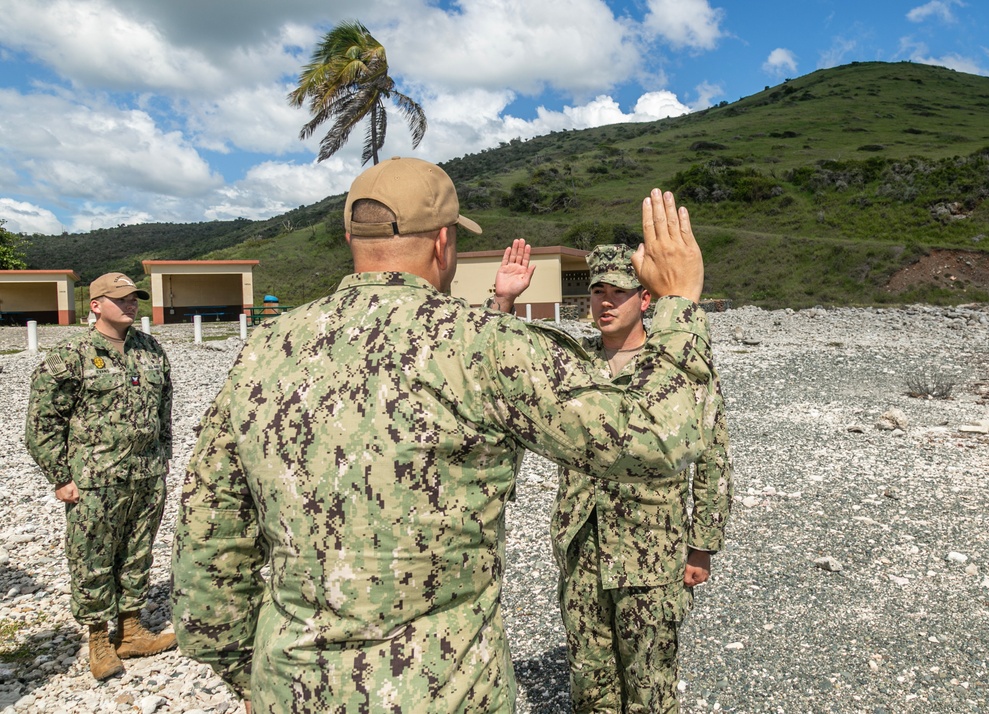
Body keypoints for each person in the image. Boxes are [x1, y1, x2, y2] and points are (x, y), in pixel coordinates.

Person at [171, 156, 721, 713]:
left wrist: (260, 676)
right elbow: (657, 437)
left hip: (290, 686)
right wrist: (679, 303)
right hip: (445, 690)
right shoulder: (480, 345)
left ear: (349, 237)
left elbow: (206, 568)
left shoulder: (264, 351)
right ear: (442, 243)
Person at [551, 244, 733, 713]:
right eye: (597, 292)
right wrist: (504, 304)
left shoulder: (673, 362)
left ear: (645, 299)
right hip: (582, 548)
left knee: (650, 689)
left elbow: (712, 456)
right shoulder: (570, 363)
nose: (606, 302)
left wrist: (703, 544)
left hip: (649, 553)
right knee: (591, 688)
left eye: (619, 292)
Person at [24, 272, 176, 681]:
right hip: (94, 479)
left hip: (145, 476)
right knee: (92, 559)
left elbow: (163, 411)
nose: (131, 305)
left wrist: (162, 461)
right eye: (121, 299)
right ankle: (98, 639)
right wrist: (60, 477)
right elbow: (42, 423)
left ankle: (131, 629)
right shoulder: (72, 355)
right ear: (95, 305)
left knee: (137, 551)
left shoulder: (150, 349)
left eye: (134, 299)